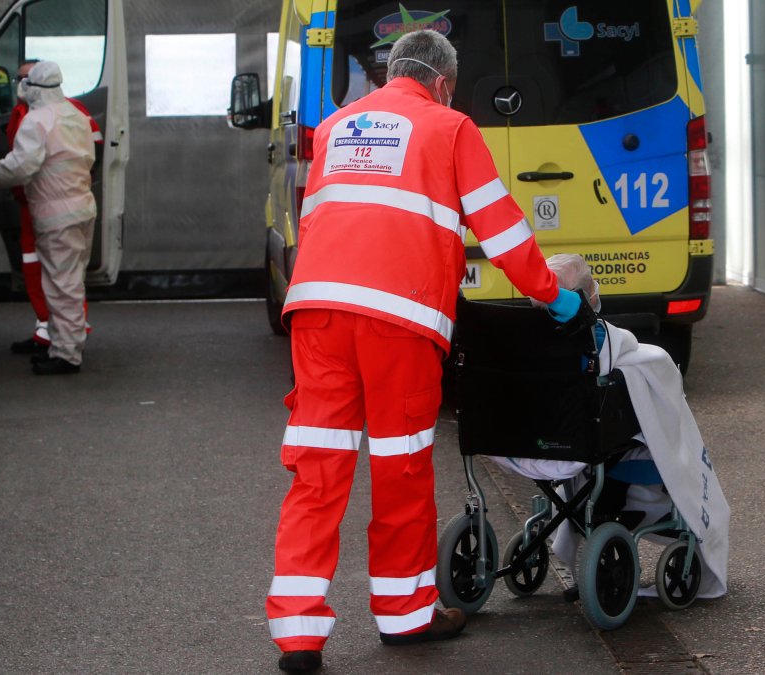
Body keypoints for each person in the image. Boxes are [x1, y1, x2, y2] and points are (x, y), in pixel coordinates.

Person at [265, 29, 582, 673]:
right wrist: (553, 296)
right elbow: (501, 227)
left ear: (391, 72)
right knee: (400, 466)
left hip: (317, 312)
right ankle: (406, 616)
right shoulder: (451, 127)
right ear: (442, 81)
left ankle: (297, 637)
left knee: (318, 471)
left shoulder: (336, 126)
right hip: (398, 318)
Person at [495, 254, 730, 601]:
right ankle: (609, 516)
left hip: (523, 441)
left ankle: (598, 515)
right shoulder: (602, 342)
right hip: (583, 443)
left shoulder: (512, 344)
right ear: (589, 296)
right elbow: (659, 386)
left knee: (610, 442)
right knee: (633, 435)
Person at [0, 61, 96, 375]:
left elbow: (22, 165)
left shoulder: (36, 121)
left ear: (31, 87)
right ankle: (66, 347)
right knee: (71, 282)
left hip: (56, 214)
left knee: (61, 286)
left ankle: (66, 355)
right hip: (83, 208)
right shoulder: (76, 115)